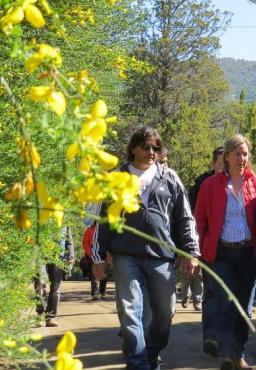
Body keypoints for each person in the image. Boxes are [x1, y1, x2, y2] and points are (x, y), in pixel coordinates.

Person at [91, 126, 200, 370]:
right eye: (147, 147)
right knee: (130, 312)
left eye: (156, 148)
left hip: (162, 256)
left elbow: (185, 217)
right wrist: (97, 258)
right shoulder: (117, 178)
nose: (152, 152)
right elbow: (104, 220)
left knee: (165, 312)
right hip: (125, 256)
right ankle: (137, 362)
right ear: (133, 148)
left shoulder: (169, 177)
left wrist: (191, 251)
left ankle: (151, 353)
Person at [194, 135, 256, 370]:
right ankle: (228, 355)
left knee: (244, 307)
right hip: (220, 255)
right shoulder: (210, 186)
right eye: (237, 153)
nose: (242, 158)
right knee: (226, 303)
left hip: (250, 254)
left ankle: (239, 354)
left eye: (245, 153)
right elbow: (199, 222)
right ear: (226, 156)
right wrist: (198, 253)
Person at [183, 147, 224, 323]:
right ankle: (188, 295)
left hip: (229, 243)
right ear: (213, 164)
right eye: (222, 163)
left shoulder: (238, 183)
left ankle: (197, 299)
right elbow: (190, 215)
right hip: (201, 239)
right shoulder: (201, 185)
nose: (225, 167)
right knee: (196, 274)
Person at [34, 226, 74, 327]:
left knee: (55, 289)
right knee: (39, 284)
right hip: (40, 255)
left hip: (58, 257)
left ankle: (50, 317)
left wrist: (70, 256)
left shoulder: (64, 218)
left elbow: (69, 240)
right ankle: (40, 314)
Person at [82, 221, 107, 300]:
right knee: (94, 275)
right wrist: (90, 253)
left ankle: (102, 292)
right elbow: (85, 243)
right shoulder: (89, 229)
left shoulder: (106, 230)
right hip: (92, 254)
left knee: (104, 274)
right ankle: (95, 294)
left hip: (104, 254)